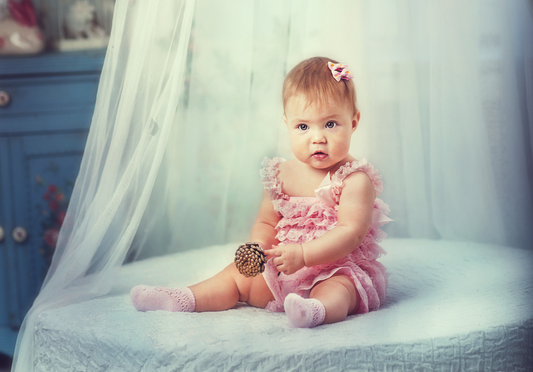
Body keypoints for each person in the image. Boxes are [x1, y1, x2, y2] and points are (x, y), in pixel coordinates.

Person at [130, 56, 391, 328]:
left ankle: (315, 310)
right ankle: (184, 298)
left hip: (335, 267)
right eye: (303, 127)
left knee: (340, 289)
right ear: (287, 124)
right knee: (236, 276)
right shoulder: (280, 175)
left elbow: (350, 233)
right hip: (286, 270)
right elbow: (266, 221)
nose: (318, 138)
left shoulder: (354, 179)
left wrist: (303, 254)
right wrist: (258, 248)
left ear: (354, 121)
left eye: (330, 124)